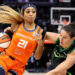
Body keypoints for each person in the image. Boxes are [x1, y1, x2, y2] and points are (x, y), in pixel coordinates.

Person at [0, 3, 44, 75]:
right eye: (28, 12)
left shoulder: (40, 31)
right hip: (5, 59)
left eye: (33, 12)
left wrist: (40, 44)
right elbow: (6, 37)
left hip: (19, 66)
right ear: (23, 14)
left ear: (36, 14)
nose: (31, 14)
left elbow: (37, 57)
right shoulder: (16, 24)